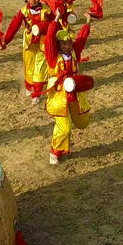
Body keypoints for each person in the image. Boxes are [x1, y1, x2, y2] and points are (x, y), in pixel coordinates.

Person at [44, 15, 93, 164]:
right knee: (64, 128)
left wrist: (87, 23)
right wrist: (55, 20)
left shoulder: (74, 52)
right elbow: (48, 38)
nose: (67, 46)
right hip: (59, 96)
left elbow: (82, 39)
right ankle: (54, 151)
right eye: (64, 43)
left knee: (83, 122)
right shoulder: (53, 57)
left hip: (74, 93)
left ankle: (62, 148)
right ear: (57, 44)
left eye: (69, 42)